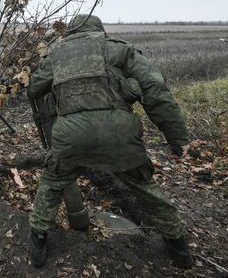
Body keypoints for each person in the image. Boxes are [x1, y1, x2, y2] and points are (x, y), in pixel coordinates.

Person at [27, 14, 194, 269]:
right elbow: (155, 90)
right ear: (99, 30)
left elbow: (34, 88)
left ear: (70, 32)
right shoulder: (118, 49)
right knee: (146, 188)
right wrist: (177, 137)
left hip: (72, 137)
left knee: (51, 183)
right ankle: (179, 247)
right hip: (119, 135)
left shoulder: (56, 55)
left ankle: (38, 241)